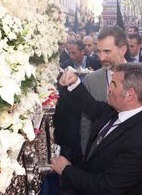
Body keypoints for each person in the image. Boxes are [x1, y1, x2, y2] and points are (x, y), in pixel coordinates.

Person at [51, 63, 142, 195]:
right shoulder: (116, 109)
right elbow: (92, 107)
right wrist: (75, 82)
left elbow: (106, 188)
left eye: (114, 84)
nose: (109, 88)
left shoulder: (138, 141)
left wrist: (66, 170)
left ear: (130, 94)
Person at [80, 25, 128, 155]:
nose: (101, 58)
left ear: (122, 50)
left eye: (107, 51)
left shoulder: (139, 76)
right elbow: (86, 124)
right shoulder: (90, 80)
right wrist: (86, 155)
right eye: (99, 51)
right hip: (97, 156)